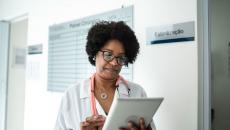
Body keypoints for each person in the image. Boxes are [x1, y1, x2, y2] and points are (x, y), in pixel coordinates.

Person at [54, 21, 155, 130]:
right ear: (95, 53)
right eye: (108, 54)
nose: (114, 63)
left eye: (121, 58)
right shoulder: (72, 95)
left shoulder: (137, 93)